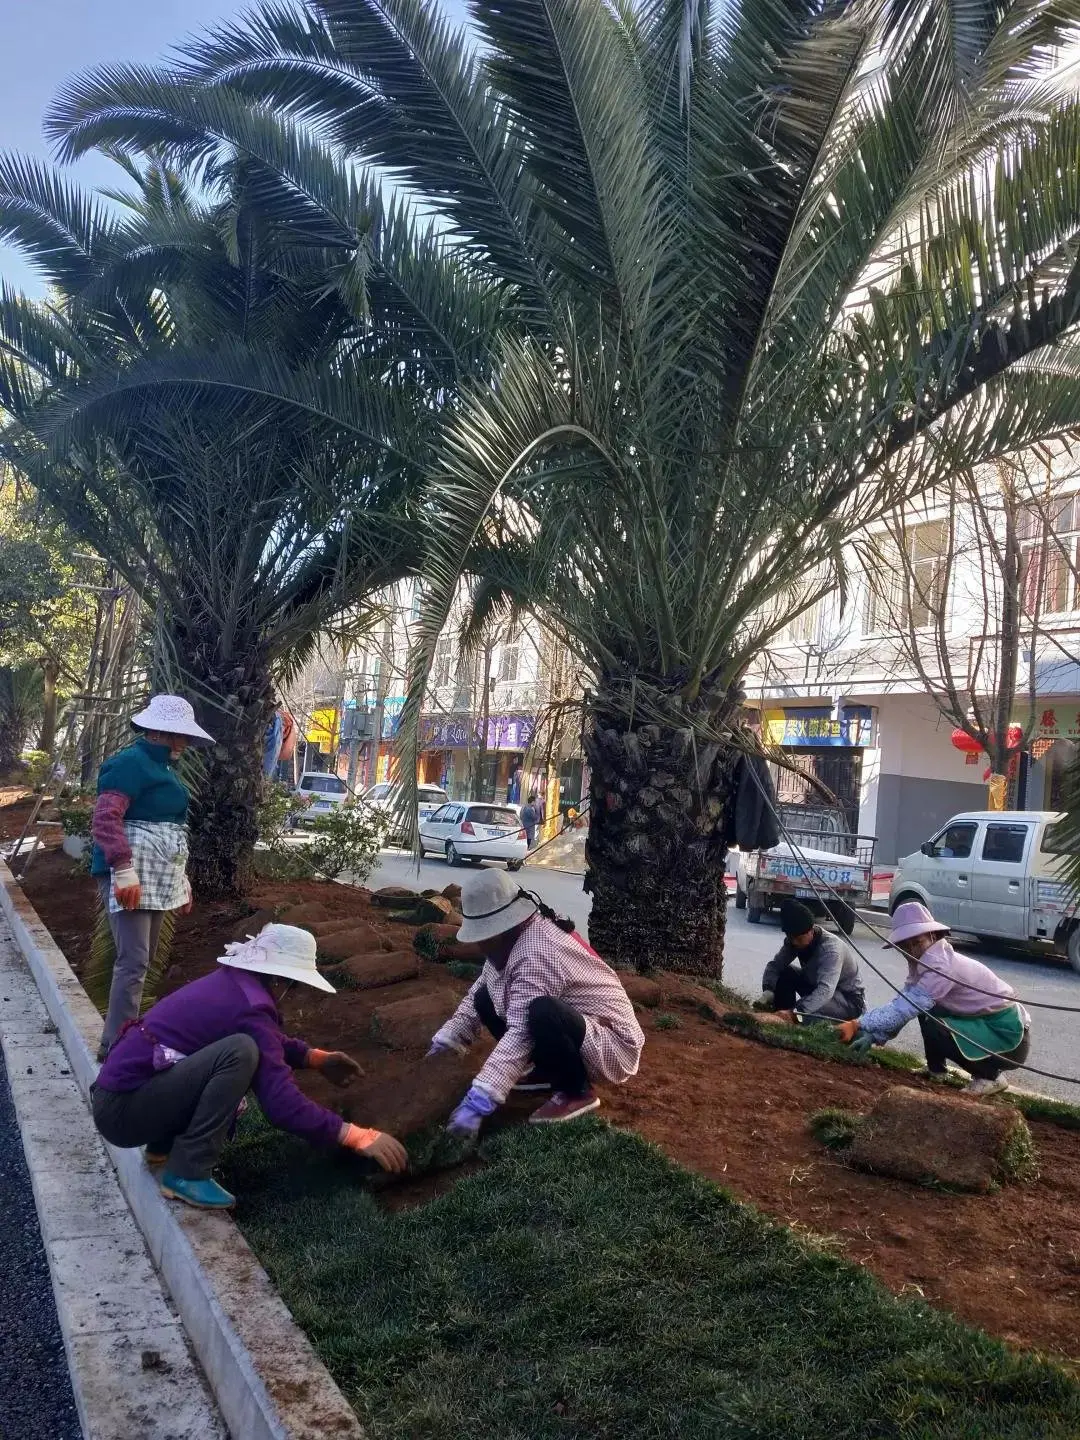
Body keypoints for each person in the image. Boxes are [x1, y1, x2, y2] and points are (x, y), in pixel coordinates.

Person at [91, 923, 408, 1209]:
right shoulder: (250, 1008)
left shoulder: (234, 985)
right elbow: (281, 1104)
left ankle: (163, 1145)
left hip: (119, 1100)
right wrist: (355, 1136)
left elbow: (270, 1039)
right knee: (240, 1053)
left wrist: (314, 1058)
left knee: (239, 1049)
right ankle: (188, 1172)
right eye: (294, 985)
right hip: (122, 1112)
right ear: (281, 979)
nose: (293, 994)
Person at [429, 870, 644, 1128]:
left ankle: (576, 1092)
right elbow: (477, 992)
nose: (480, 944)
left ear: (505, 924)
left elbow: (521, 1031)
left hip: (612, 1044)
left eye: (484, 935)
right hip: (578, 1026)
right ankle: (545, 1071)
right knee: (485, 998)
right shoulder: (508, 942)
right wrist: (446, 1040)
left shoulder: (535, 951)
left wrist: (480, 1099)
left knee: (541, 1011)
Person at [91, 694, 215, 1060]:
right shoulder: (130, 763)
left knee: (142, 961)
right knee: (133, 960)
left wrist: (182, 878)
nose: (186, 744)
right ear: (160, 732)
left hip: (160, 872)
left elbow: (172, 829)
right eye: (181, 736)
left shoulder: (164, 770)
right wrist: (122, 867)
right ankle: (117, 1048)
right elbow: (106, 819)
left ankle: (122, 1040)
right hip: (131, 871)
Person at [836, 901, 1031, 1097]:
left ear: (932, 936)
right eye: (905, 946)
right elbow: (903, 1004)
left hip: (1007, 1035)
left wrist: (858, 1024)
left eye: (917, 942)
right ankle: (936, 1070)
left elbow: (905, 1009)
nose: (912, 950)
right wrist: (875, 1035)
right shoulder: (923, 963)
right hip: (981, 1022)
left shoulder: (940, 966)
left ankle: (990, 1076)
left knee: (934, 1023)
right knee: (927, 1012)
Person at [758, 900, 865, 1021]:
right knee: (785, 973)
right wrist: (769, 989)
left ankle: (791, 1019)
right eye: (790, 937)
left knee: (805, 1016)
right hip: (815, 985)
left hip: (847, 1000)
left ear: (811, 930)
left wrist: (797, 1011)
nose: (794, 942)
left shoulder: (831, 950)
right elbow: (775, 966)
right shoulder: (794, 941)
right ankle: (780, 1016)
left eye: (798, 939)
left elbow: (825, 990)